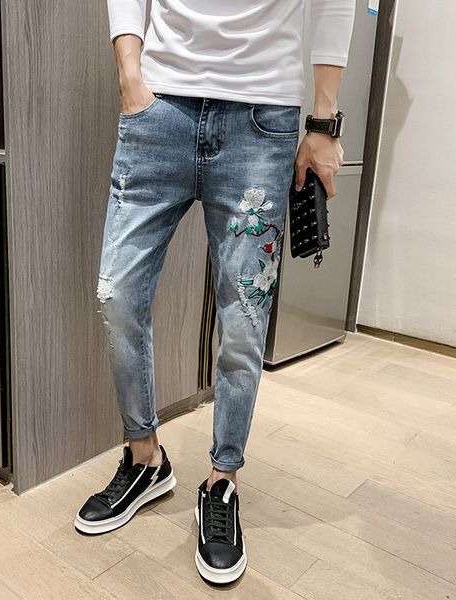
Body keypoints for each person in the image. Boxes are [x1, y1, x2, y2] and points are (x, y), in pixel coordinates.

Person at [75, 0, 355, 584]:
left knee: (243, 321)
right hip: (159, 110)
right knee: (117, 295)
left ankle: (222, 481)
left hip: (262, 122)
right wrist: (129, 73)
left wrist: (323, 122)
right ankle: (145, 459)